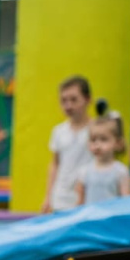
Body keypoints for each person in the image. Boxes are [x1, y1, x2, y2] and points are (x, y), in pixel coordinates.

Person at [41, 75, 93, 213]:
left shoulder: (96, 130)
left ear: (88, 99)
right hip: (61, 198)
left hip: (88, 198)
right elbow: (55, 164)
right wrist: (48, 196)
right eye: (64, 101)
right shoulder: (58, 131)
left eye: (74, 100)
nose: (68, 105)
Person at [75, 114, 130, 206]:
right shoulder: (84, 171)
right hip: (91, 219)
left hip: (111, 219)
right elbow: (80, 203)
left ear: (117, 143)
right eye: (93, 140)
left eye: (103, 139)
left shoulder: (121, 171)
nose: (97, 145)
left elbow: (126, 202)